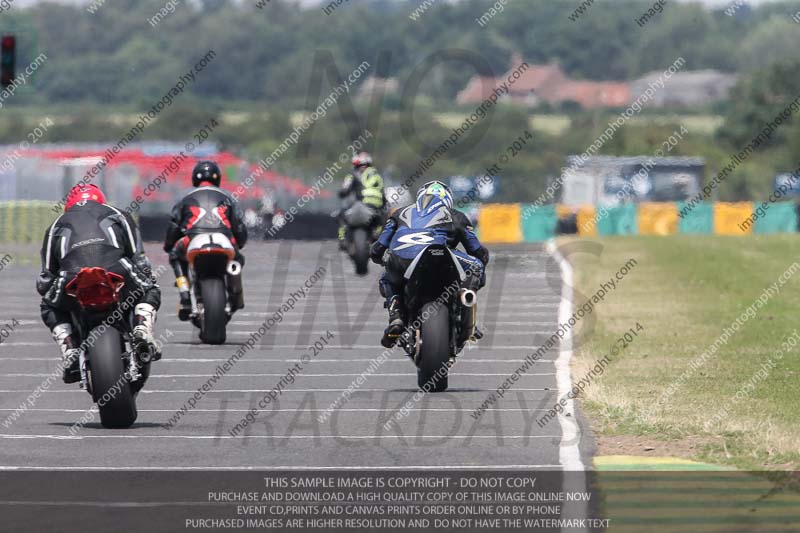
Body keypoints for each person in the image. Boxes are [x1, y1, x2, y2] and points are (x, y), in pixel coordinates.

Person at [37, 183, 161, 384]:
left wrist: (45, 289)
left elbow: (46, 277)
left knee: (48, 305)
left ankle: (69, 350)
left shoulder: (55, 226)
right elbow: (139, 259)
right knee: (150, 287)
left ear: (68, 205)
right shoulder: (118, 214)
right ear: (100, 199)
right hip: (115, 268)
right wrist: (143, 274)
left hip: (72, 276)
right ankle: (142, 329)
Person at [369, 181, 490, 348]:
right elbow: (477, 251)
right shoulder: (455, 215)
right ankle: (466, 306)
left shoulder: (398, 213)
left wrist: (380, 259)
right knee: (476, 266)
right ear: (448, 199)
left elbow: (378, 248)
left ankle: (396, 315)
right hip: (440, 256)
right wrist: (481, 264)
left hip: (402, 259)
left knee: (386, 278)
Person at [163, 160, 248, 320]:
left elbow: (174, 226)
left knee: (175, 255)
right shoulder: (228, 197)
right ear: (218, 179)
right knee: (238, 258)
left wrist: (169, 246)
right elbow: (239, 227)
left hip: (193, 239)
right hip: (224, 239)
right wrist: (240, 243)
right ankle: (235, 292)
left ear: (195, 178)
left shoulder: (184, 197)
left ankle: (184, 294)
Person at [337, 151, 386, 247]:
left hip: (360, 205)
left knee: (340, 215)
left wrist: (342, 193)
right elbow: (383, 195)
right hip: (376, 207)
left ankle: (342, 238)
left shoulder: (352, 175)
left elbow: (344, 190)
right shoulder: (378, 175)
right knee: (383, 219)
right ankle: (379, 236)